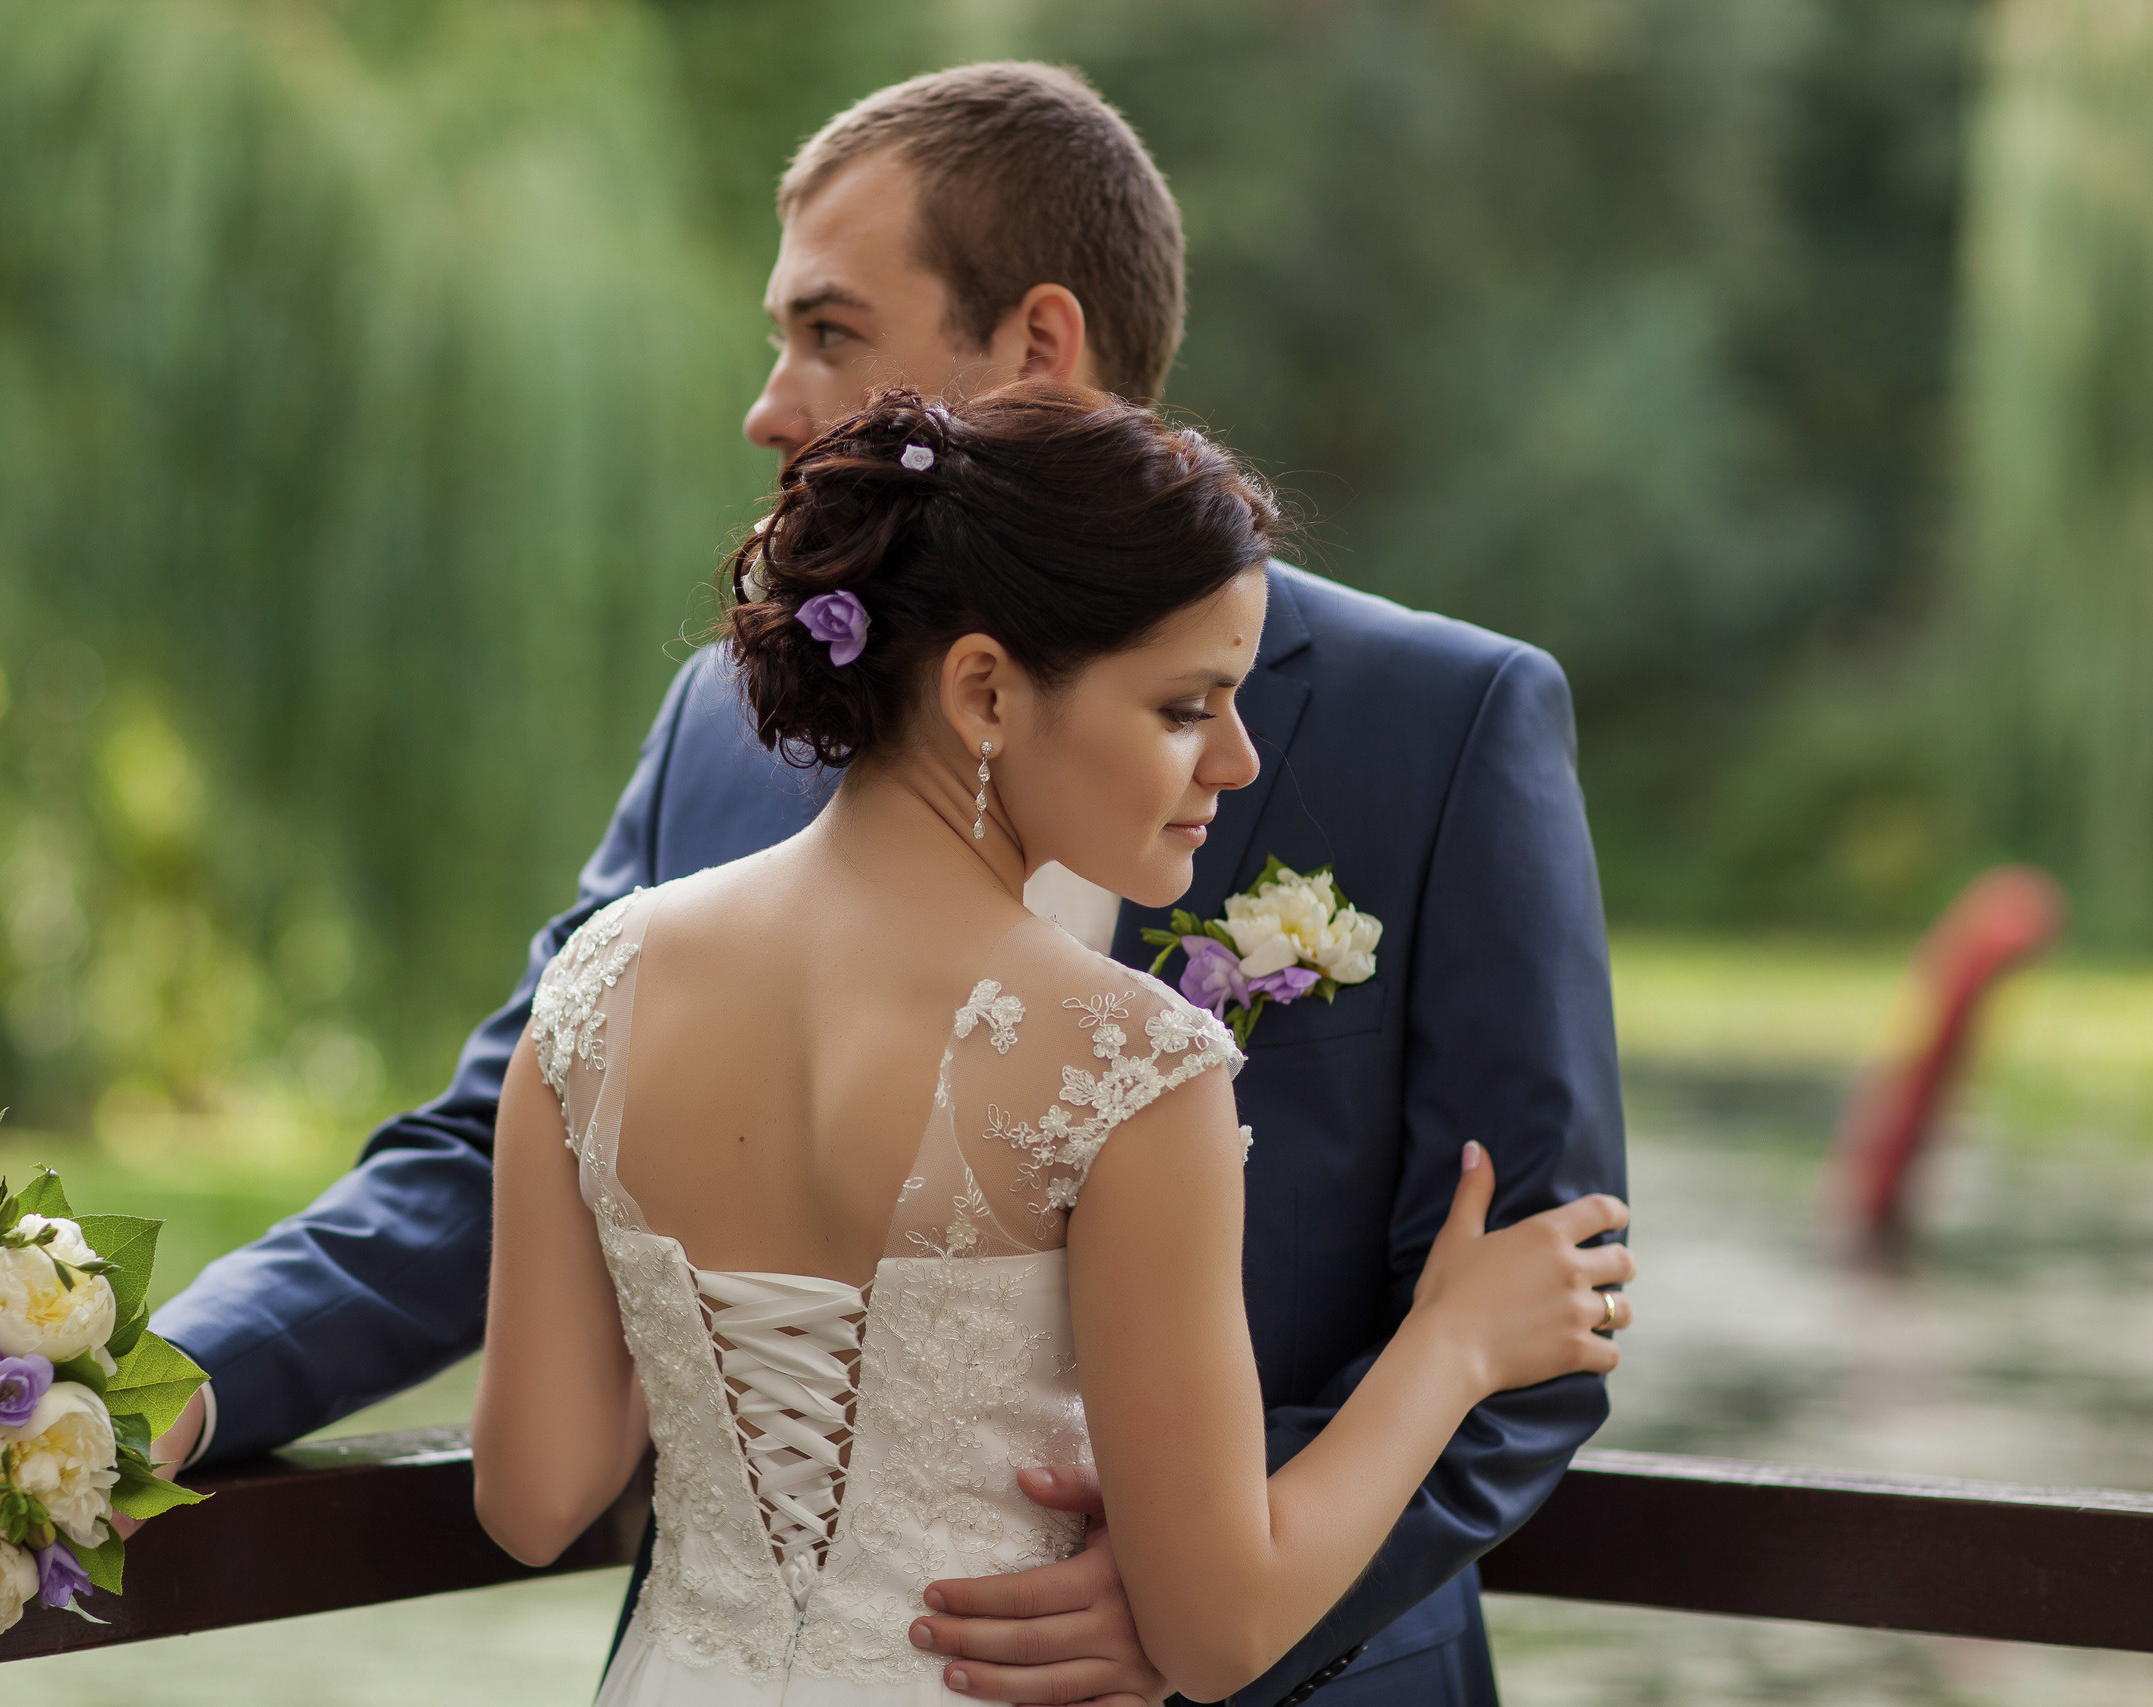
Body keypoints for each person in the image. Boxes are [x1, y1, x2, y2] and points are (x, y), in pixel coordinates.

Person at [150, 62, 1628, 1706]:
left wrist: (1187, 1584)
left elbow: (1542, 1281)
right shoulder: (726, 721)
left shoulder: (1446, 719)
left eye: (828, 333)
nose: (770, 405)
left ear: (1038, 349)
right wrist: (155, 1381)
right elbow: (478, 1162)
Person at [471, 381, 1633, 1707]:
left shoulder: (596, 990)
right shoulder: (1132, 1068)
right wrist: (1453, 1351)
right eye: (1186, 707)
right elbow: (1216, 1632)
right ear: (984, 693)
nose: (1239, 762)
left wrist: (700, 1330)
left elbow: (536, 1497)